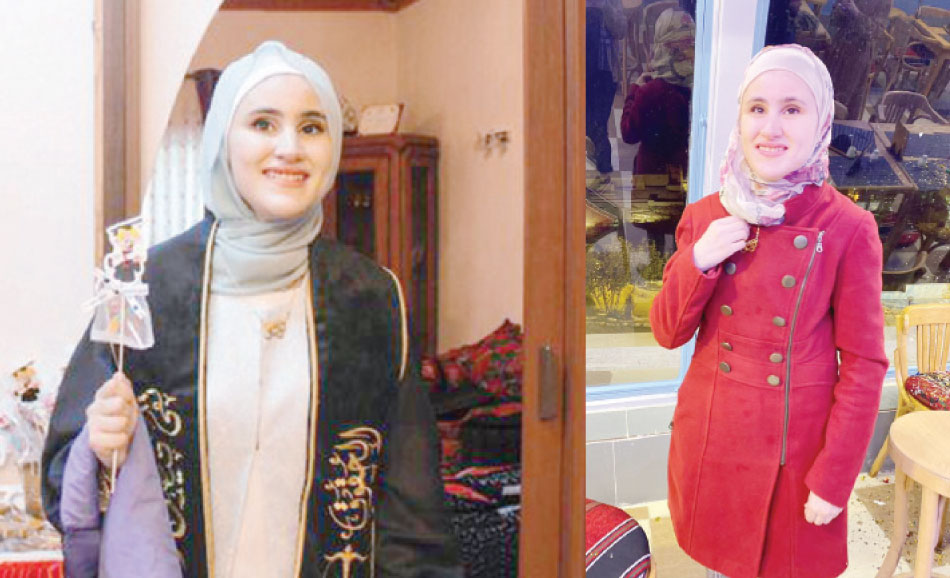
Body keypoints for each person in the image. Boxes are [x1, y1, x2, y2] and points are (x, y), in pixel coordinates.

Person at [42, 41, 462, 578]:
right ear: (223, 139)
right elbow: (64, 477)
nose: (290, 147)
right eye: (263, 124)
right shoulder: (146, 289)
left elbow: (413, 511)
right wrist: (100, 453)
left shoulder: (371, 298)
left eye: (312, 127)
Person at [649, 44, 887, 578]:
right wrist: (698, 259)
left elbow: (865, 366)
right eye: (757, 108)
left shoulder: (847, 228)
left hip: (795, 455)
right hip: (711, 438)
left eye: (792, 109)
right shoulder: (706, 215)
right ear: (740, 117)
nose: (770, 128)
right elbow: (667, 332)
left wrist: (835, 477)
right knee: (717, 562)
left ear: (820, 122)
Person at [620, 3, 695, 177]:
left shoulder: (650, 92)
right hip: (682, 172)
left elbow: (628, 133)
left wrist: (634, 91)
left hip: (650, 174)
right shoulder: (695, 88)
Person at [586, 0, 627, 176]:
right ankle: (598, 168)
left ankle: (603, 169)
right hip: (579, 72)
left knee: (600, 121)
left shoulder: (611, 2)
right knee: (586, 122)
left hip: (606, 71)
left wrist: (605, 6)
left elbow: (621, 31)